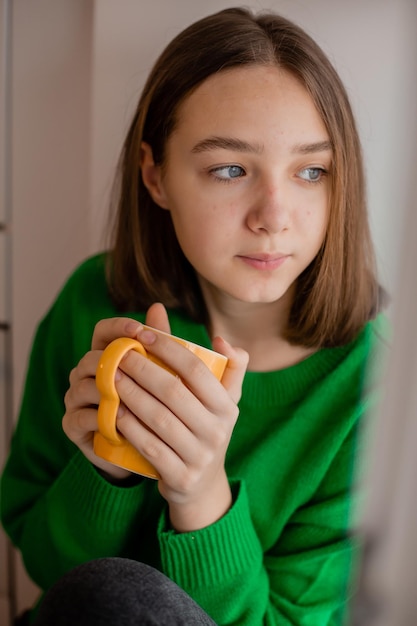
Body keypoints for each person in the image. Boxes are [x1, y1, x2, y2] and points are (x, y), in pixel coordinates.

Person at [0, 6, 387, 625]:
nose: (274, 214)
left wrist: (200, 494)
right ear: (155, 177)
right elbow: (48, 569)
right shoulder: (95, 305)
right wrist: (106, 466)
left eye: (312, 171)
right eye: (230, 169)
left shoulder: (375, 385)